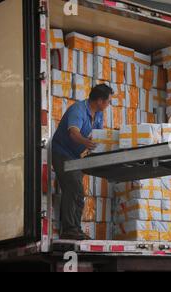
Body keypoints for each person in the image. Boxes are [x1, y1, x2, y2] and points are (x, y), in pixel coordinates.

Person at [52, 84, 113, 240]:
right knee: (73, 187)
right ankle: (69, 229)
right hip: (62, 153)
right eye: (108, 101)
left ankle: (75, 229)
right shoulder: (78, 110)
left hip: (76, 156)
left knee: (79, 193)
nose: (108, 105)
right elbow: (73, 133)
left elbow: (98, 135)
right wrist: (86, 143)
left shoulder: (98, 114)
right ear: (100, 101)